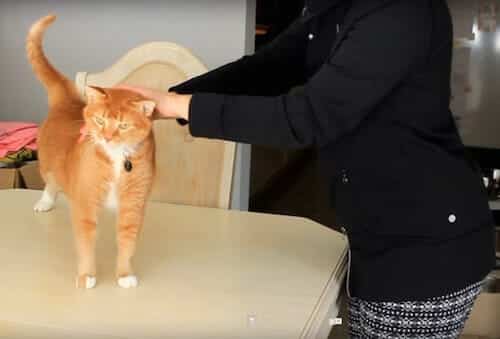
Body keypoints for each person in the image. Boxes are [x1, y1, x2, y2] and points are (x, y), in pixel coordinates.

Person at [119, 0, 496, 338]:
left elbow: (307, 117)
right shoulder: (333, 8)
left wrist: (180, 108)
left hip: (425, 249)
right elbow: (267, 68)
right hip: (383, 234)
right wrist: (165, 99)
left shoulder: (401, 12)